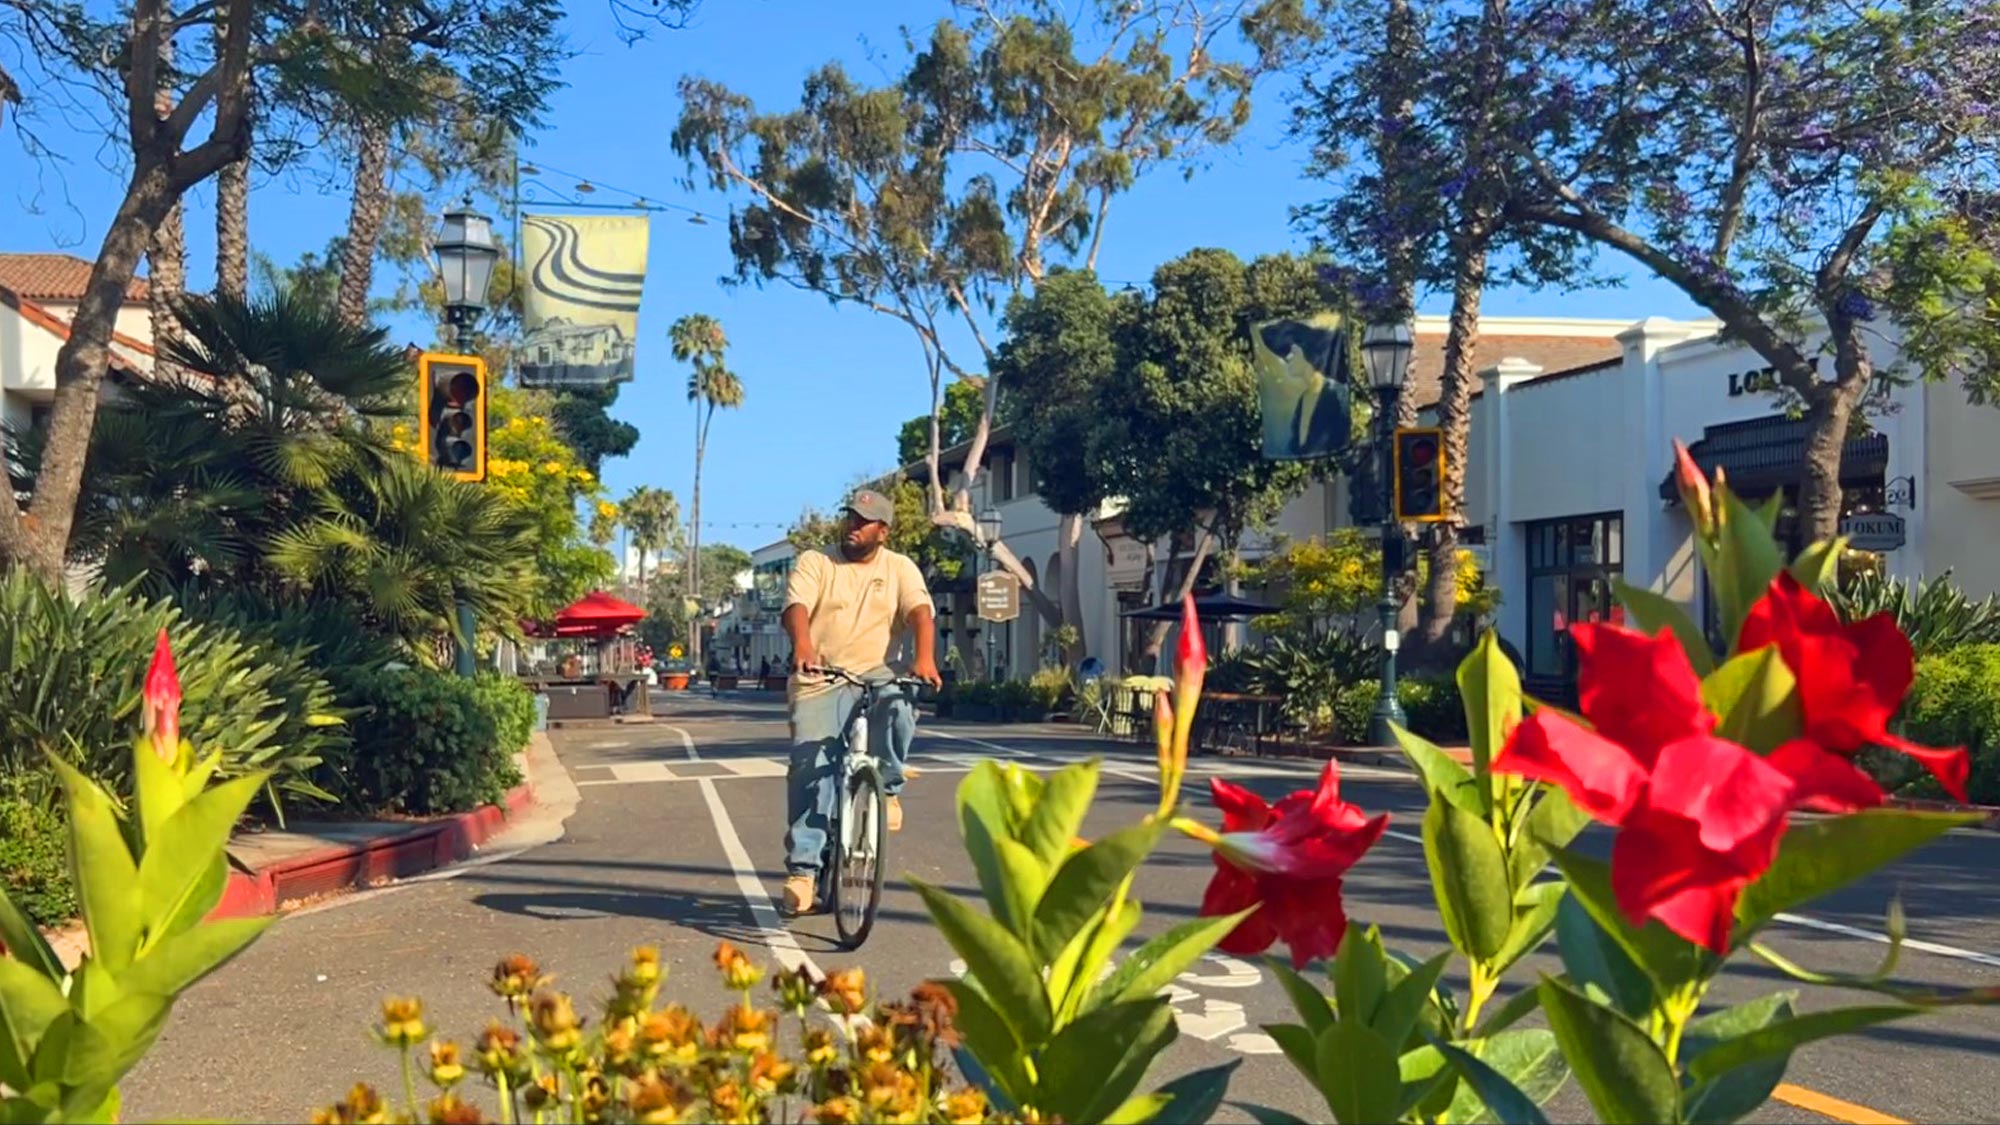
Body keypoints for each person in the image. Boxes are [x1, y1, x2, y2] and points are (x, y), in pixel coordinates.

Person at [779, 488, 941, 916]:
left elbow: (921, 613)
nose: (852, 526)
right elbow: (796, 607)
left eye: (863, 522)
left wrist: (924, 658)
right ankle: (804, 873)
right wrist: (803, 645)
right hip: (822, 677)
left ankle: (887, 788)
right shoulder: (817, 561)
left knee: (901, 699)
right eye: (849, 518)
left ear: (882, 531)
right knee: (810, 769)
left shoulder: (900, 567)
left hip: (876, 673)